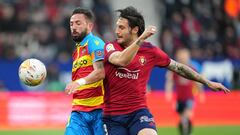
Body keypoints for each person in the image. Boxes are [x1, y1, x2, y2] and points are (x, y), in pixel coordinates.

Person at [102, 6, 230, 135]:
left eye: (121, 27)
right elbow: (121, 60)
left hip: (138, 112)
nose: (116, 31)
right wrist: (141, 39)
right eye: (117, 26)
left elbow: (179, 68)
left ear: (135, 29)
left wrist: (207, 82)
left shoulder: (150, 51)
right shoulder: (111, 46)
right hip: (113, 117)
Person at [64, 7, 105, 135]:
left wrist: (79, 82)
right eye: (71, 24)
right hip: (78, 112)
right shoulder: (76, 51)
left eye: (78, 23)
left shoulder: (95, 43)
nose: (73, 27)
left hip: (99, 110)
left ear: (89, 26)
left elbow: (100, 72)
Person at [165, 48, 205, 135]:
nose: (183, 58)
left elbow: (197, 82)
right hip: (179, 98)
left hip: (189, 97)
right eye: (181, 56)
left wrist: (201, 93)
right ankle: (184, 131)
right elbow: (170, 82)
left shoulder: (192, 69)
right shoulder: (174, 70)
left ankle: (186, 131)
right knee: (182, 117)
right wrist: (168, 93)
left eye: (185, 56)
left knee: (187, 115)